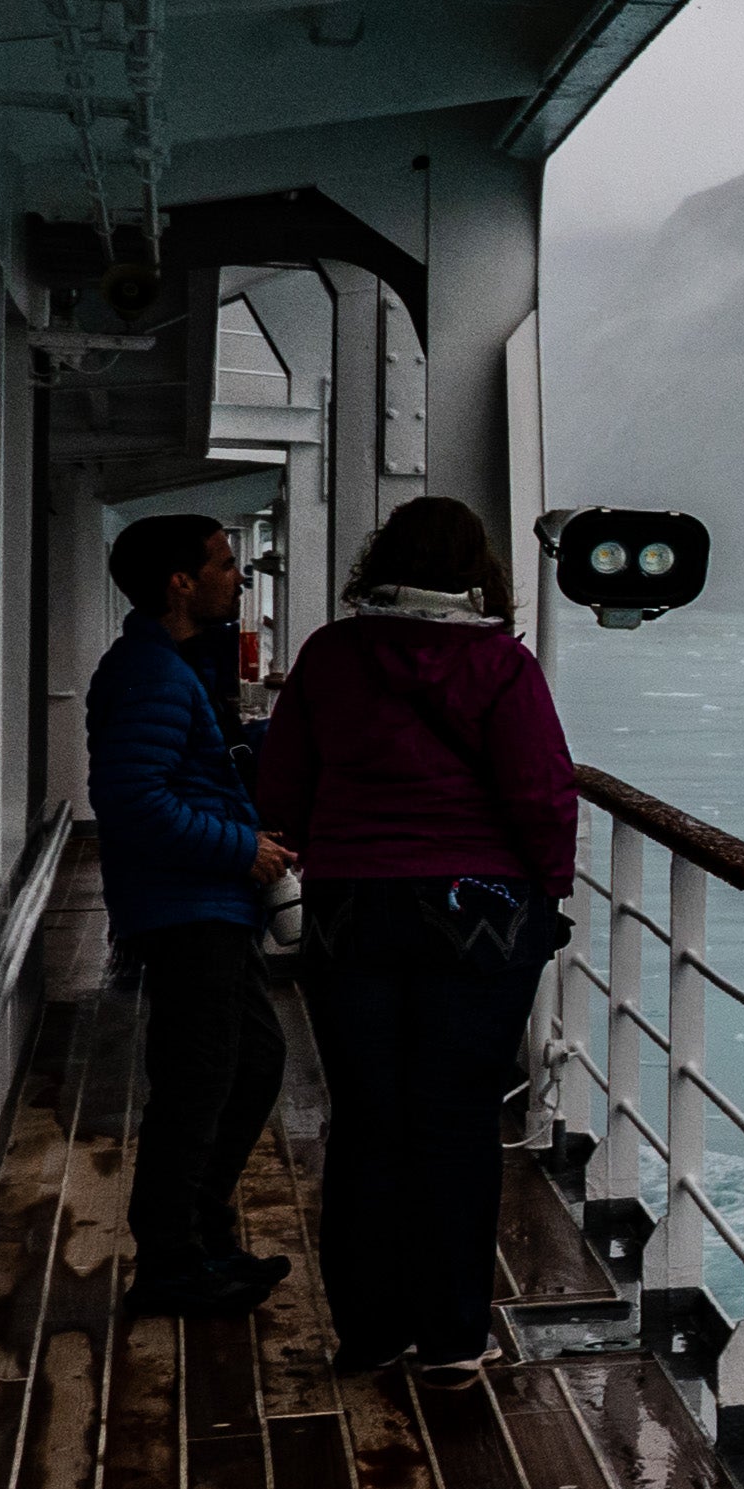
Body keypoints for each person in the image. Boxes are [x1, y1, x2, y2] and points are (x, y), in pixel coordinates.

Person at [254, 497, 576, 1376]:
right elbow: (542, 795)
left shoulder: (329, 656)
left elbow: (282, 783)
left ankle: (368, 1332)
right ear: (479, 571)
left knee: (367, 1120)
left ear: (380, 558)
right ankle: (451, 1337)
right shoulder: (501, 668)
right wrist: (548, 895)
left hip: (354, 907)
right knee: (456, 1119)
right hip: (477, 915)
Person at [85, 510, 290, 1316]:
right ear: (180, 580)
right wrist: (239, 849)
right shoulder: (149, 673)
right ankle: (172, 1262)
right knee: (199, 1080)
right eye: (224, 563)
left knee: (249, 1063)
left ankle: (200, 1241)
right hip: (186, 906)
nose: (237, 577)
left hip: (201, 900)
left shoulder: (162, 664)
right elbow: (132, 801)